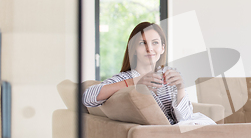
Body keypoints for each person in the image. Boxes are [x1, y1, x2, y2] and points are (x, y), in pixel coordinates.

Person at [83, 21, 215, 126]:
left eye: (155, 43)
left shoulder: (169, 75)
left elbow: (185, 118)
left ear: (162, 48)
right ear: (133, 49)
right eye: (142, 43)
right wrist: (135, 82)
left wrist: (180, 88)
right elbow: (87, 97)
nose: (150, 48)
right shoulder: (126, 78)